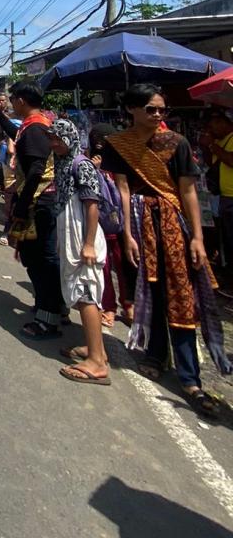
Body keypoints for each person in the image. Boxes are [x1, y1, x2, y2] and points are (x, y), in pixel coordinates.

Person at [102, 83, 231, 417]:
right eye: (151, 109)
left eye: (162, 109)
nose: (158, 115)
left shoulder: (178, 143)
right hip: (139, 223)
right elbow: (123, 191)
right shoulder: (119, 144)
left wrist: (198, 238)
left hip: (173, 224)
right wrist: (128, 234)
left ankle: (190, 377)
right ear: (132, 109)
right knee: (151, 291)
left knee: (181, 296)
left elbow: (188, 191)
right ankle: (156, 355)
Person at [0, 82, 63, 339]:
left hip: (38, 202)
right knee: (37, 258)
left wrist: (20, 208)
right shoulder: (32, 125)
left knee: (40, 260)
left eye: (12, 99)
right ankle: (52, 307)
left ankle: (48, 316)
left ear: (21, 100)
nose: (11, 103)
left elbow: (35, 170)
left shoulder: (35, 129)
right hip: (36, 199)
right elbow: (17, 135)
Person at [49, 119, 110, 386]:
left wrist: (87, 244)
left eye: (57, 139)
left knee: (85, 293)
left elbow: (91, 205)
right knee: (79, 291)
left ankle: (97, 363)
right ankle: (96, 349)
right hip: (70, 232)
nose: (53, 143)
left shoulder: (80, 164)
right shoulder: (63, 162)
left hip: (82, 233)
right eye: (51, 139)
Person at [90, 123, 135, 327]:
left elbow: (124, 190)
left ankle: (128, 305)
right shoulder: (88, 159)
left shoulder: (119, 160)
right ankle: (108, 307)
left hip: (119, 222)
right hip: (98, 223)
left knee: (125, 264)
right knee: (103, 268)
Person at [199, 108, 233, 268]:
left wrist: (212, 145)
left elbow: (231, 160)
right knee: (227, 238)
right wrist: (206, 147)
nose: (210, 130)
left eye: (212, 126)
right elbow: (212, 163)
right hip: (223, 197)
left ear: (223, 123)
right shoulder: (220, 140)